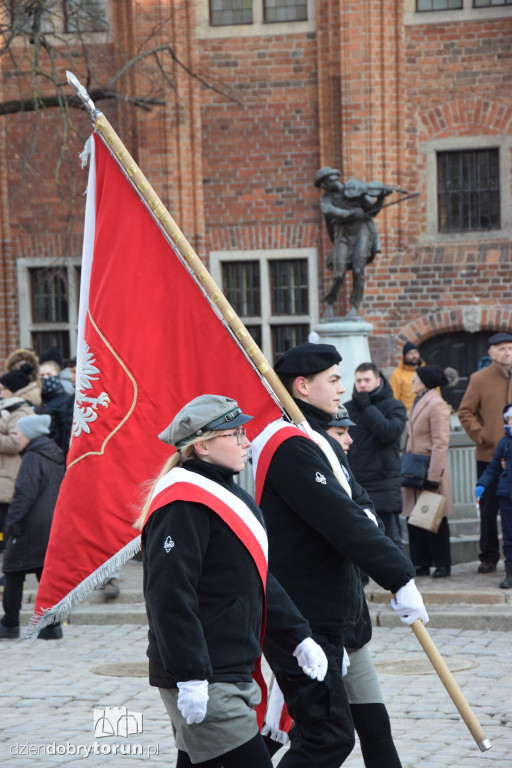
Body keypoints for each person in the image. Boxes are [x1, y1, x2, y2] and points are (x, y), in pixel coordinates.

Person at [251, 342, 428, 768]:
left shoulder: (317, 439)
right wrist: (400, 576)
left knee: (371, 729)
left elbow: (360, 503)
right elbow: (341, 519)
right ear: (302, 386)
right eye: (332, 380)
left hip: (341, 611)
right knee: (325, 737)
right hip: (309, 614)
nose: (341, 388)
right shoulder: (290, 445)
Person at [135, 394, 328, 768]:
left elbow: (257, 576)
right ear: (203, 445)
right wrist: (190, 675)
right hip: (204, 673)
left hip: (230, 665)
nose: (246, 441)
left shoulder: (229, 492)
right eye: (235, 433)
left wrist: (299, 636)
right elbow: (170, 596)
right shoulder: (183, 502)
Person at [327, 403, 404, 768]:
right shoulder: (305, 477)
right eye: (339, 432)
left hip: (353, 629)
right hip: (316, 635)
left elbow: (368, 517)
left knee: (376, 728)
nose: (349, 439)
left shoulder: (344, 471)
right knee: (311, 737)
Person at [0, 414, 65, 640]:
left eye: (19, 432)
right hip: (49, 524)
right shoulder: (54, 454)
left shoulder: (32, 457)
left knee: (12, 570)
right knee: (43, 572)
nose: (17, 437)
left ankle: (9, 624)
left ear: (29, 434)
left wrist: (11, 525)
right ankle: (52, 626)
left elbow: (23, 495)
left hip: (30, 524)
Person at [458, 332, 512, 574]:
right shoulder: (479, 379)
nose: (507, 352)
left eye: (510, 348)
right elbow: (465, 412)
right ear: (491, 353)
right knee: (489, 510)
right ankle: (488, 556)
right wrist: (483, 436)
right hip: (488, 456)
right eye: (501, 348)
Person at [346, 362, 407, 550]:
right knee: (357, 540)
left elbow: (389, 433)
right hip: (354, 481)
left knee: (390, 540)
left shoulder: (394, 406)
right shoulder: (346, 408)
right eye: (358, 381)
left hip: (383, 482)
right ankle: (361, 580)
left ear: (378, 380)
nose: (362, 385)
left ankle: (400, 579)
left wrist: (368, 407)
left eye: (366, 380)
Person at [314, 168, 390, 318]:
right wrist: (349, 214)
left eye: (325, 183)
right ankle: (330, 303)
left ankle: (354, 308)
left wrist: (381, 198)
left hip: (361, 232)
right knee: (338, 273)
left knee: (358, 271)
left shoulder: (357, 189)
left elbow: (372, 211)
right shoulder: (326, 198)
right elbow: (328, 210)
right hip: (343, 234)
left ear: (332, 180)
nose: (323, 187)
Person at [402, 365, 454, 578]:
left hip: (430, 468)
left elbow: (440, 443)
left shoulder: (437, 404)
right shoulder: (420, 400)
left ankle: (442, 563)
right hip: (414, 467)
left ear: (424, 381)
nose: (411, 381)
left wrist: (433, 477)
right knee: (414, 517)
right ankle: (421, 562)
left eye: (415, 378)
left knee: (435, 516)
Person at [475, 403, 512, 589]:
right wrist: (482, 483)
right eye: (510, 419)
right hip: (506, 495)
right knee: (508, 536)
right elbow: (493, 467)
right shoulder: (504, 443)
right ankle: (510, 572)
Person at [0, 370, 34, 551]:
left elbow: (16, 442)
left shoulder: (19, 411)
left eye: (3, 389)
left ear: (13, 390)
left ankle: (7, 547)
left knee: (5, 519)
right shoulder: (7, 408)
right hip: (4, 474)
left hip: (10, 474)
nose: (0, 392)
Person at [37, 360, 74, 455]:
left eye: (49, 374)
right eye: (42, 375)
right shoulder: (41, 401)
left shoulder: (65, 400)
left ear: (58, 375)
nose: (45, 378)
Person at [389, 342, 425, 413]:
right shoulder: (397, 374)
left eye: (416, 353)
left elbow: (435, 392)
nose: (414, 356)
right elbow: (393, 398)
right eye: (411, 353)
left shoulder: (426, 370)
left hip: (427, 412)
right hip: (407, 415)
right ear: (405, 356)